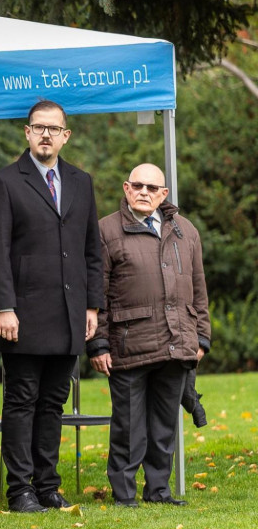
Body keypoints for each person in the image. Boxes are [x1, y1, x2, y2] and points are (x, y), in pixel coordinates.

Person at [0, 100, 103, 513]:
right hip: (24, 314)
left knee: (53, 404)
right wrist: (4, 307)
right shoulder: (4, 182)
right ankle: (20, 490)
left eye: (54, 128)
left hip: (70, 313)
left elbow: (91, 250)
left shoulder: (81, 182)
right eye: (39, 127)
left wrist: (92, 306)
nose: (46, 134)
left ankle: (47, 485)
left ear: (66, 135)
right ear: (27, 133)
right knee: (21, 401)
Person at [87, 163, 210, 507]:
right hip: (127, 345)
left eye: (152, 188)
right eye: (137, 186)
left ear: (164, 194)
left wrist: (202, 337)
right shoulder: (105, 231)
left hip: (177, 342)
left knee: (163, 427)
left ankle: (159, 491)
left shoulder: (185, 231)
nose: (144, 192)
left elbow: (198, 288)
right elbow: (96, 294)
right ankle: (124, 494)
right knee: (128, 428)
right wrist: (98, 343)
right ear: (126, 188)